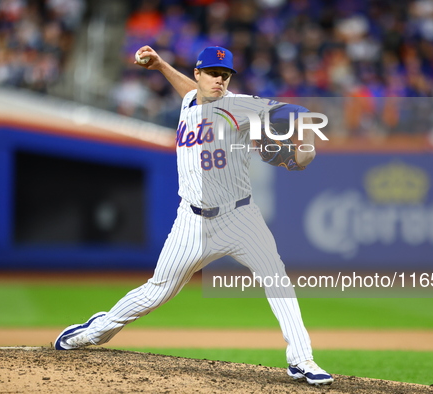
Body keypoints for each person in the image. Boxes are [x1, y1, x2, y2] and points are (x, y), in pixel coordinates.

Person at [54, 46, 333, 386]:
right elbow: (189, 91)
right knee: (158, 291)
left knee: (276, 278)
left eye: (225, 74)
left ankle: (301, 358)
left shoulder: (239, 105)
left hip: (240, 217)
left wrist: (302, 140)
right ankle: (95, 332)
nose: (220, 79)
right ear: (199, 73)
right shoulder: (189, 100)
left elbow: (292, 113)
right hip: (192, 221)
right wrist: (160, 66)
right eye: (213, 72)